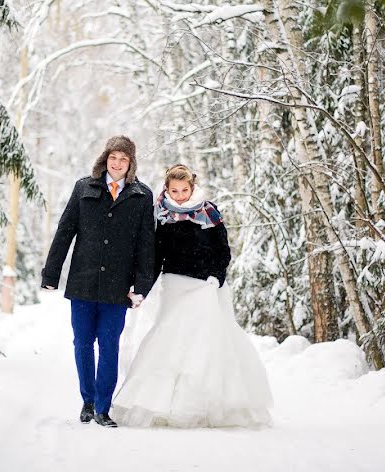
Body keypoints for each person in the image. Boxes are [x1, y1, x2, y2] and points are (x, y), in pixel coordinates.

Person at [111, 164, 273, 428]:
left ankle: (206, 407)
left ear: (192, 187)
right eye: (174, 190)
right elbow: (156, 258)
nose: (180, 195)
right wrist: (142, 289)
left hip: (204, 287)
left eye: (184, 190)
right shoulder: (161, 215)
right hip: (174, 285)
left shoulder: (209, 212)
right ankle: (161, 405)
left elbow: (223, 250)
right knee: (169, 340)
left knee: (204, 345)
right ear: (167, 189)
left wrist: (216, 278)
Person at [40, 136, 155, 428]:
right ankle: (88, 401)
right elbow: (65, 231)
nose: (117, 163)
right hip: (83, 282)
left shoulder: (142, 195)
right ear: (105, 158)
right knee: (82, 343)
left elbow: (146, 244)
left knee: (109, 346)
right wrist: (51, 274)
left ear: (131, 163)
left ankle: (103, 408)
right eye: (113, 157)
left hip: (118, 287)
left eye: (123, 159)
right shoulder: (83, 187)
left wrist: (141, 287)